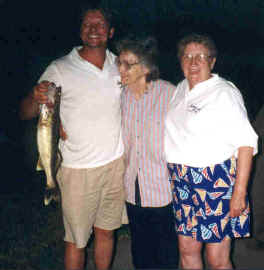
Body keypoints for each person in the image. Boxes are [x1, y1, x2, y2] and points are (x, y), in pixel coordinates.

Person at [19, 4, 125, 270]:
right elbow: (25, 113)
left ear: (110, 31)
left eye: (99, 24)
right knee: (76, 242)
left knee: (106, 233)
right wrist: (36, 95)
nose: (93, 30)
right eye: (87, 24)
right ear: (80, 31)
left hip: (116, 165)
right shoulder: (60, 68)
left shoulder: (121, 64)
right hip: (77, 170)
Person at [164, 33, 258, 269]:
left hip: (214, 182)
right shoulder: (180, 89)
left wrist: (239, 192)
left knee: (216, 259)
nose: (193, 62)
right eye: (187, 56)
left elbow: (246, 143)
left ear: (212, 62)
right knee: (187, 250)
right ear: (180, 61)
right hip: (182, 181)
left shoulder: (224, 92)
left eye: (201, 57)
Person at [116, 36, 179, 269]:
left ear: (145, 68)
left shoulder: (170, 94)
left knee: (166, 252)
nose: (121, 69)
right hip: (132, 186)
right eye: (119, 63)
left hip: (163, 188)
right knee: (140, 251)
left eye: (128, 64)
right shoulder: (120, 97)